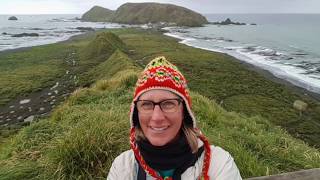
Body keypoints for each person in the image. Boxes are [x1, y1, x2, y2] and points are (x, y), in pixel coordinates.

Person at [107, 56, 242, 180]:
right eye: (146, 105)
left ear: (185, 112)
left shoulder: (218, 164)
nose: (157, 117)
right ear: (136, 113)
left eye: (168, 104)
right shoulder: (123, 168)